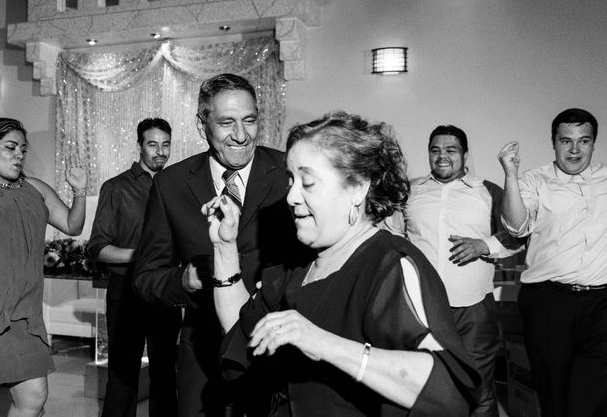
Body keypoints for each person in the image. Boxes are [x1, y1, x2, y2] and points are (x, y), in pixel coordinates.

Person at [203, 111, 481, 416]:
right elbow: (242, 334)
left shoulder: (391, 266)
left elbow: (447, 391)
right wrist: (224, 247)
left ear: (358, 188)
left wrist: (323, 343)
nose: (292, 196)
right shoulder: (294, 266)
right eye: (291, 181)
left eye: (307, 183)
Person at [132, 73, 304, 416]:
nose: (241, 135)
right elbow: (145, 278)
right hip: (203, 355)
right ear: (202, 125)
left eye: (249, 120)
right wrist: (184, 280)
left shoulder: (290, 172)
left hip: (279, 348)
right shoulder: (171, 185)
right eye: (227, 122)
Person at [383, 125, 523, 417]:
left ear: (465, 154)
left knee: (479, 390)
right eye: (435, 150)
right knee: (426, 388)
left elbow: (517, 236)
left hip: (473, 311)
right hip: (421, 310)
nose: (442, 156)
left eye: (451, 149)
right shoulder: (409, 191)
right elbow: (393, 238)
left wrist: (482, 245)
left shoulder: (487, 190)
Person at [0, 117, 87, 417]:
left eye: (23, 148)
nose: (19, 154)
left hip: (24, 315)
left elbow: (73, 225)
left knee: (34, 398)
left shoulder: (35, 189)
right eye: (10, 147)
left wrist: (80, 191)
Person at [498, 108, 607, 417]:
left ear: (593, 144)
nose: (575, 150)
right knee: (554, 396)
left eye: (583, 141)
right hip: (548, 301)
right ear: (554, 143)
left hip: (600, 302)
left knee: (593, 395)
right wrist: (510, 176)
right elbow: (516, 228)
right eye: (566, 141)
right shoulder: (535, 180)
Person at [87, 118, 181, 417]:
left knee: (166, 374)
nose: (160, 152)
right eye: (153, 144)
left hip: (165, 291)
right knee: (123, 375)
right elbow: (98, 248)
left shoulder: (176, 186)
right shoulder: (115, 188)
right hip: (125, 292)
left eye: (165, 144)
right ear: (139, 145)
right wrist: (142, 256)